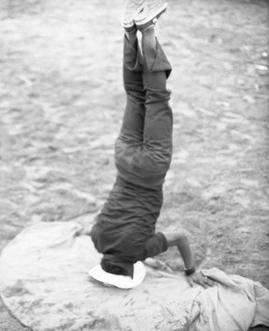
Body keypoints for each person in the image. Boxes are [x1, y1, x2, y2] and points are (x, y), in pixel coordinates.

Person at [90, 0, 214, 288]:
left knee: (155, 97)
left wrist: (190, 270)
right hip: (123, 160)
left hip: (150, 171)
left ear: (130, 270)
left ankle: (147, 29)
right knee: (134, 94)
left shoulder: (138, 252)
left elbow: (180, 235)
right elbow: (92, 229)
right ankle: (129, 31)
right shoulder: (97, 238)